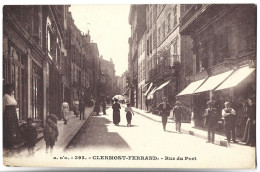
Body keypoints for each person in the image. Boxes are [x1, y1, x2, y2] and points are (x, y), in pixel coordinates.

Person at [3, 84, 19, 149]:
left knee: (14, 127)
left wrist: (13, 95)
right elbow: (3, 106)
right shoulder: (5, 96)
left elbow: (15, 103)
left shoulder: (12, 96)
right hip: (8, 113)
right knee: (9, 127)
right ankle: (9, 143)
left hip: (13, 112)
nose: (11, 90)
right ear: (7, 89)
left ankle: (13, 142)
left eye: (12, 88)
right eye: (9, 88)